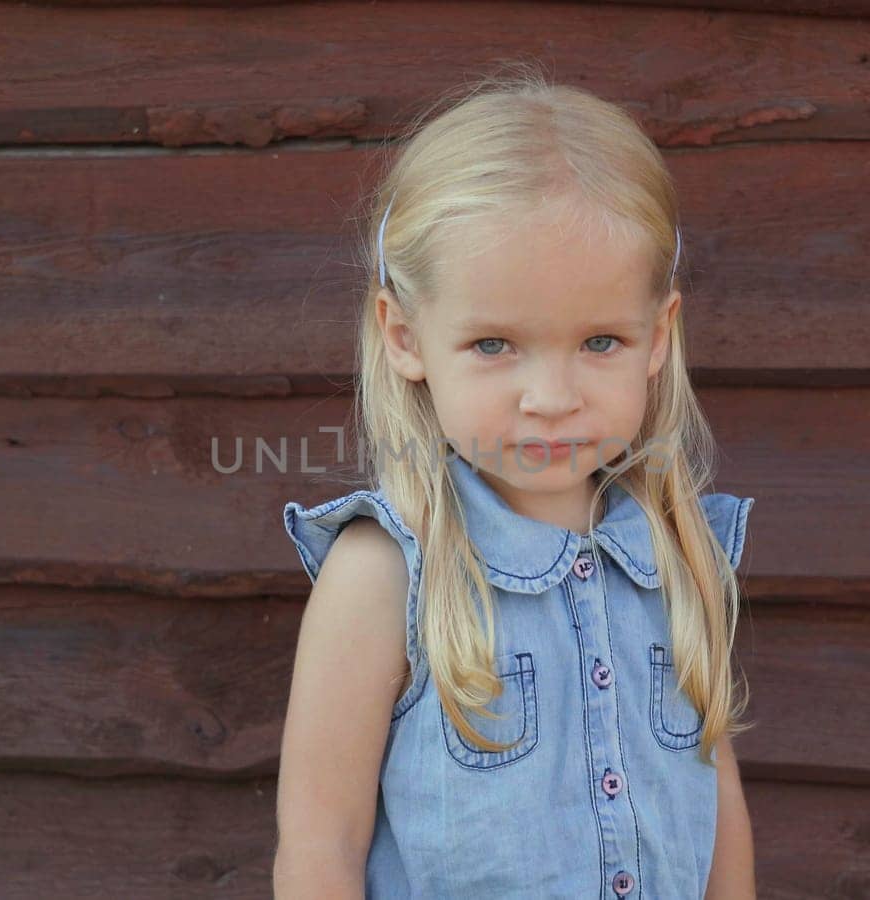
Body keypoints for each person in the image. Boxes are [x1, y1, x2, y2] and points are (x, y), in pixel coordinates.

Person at [274, 62, 758, 899]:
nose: (552, 399)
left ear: (657, 337)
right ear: (405, 335)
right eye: (495, 344)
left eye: (599, 341)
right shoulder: (386, 576)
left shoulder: (680, 556)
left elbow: (719, 814)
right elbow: (319, 852)